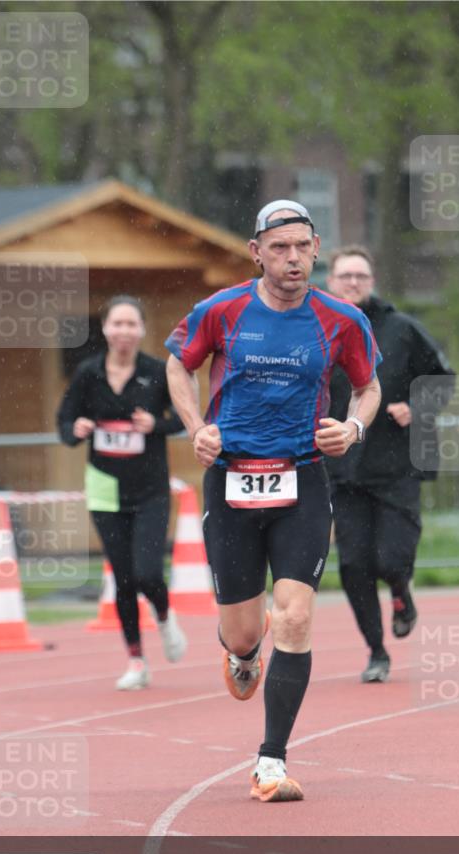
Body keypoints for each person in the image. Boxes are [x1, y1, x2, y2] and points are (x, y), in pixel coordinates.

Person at [165, 200, 381, 802]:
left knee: (295, 614)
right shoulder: (220, 310)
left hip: (302, 480)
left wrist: (354, 428)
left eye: (302, 247)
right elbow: (177, 366)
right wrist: (195, 427)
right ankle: (241, 652)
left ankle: (271, 760)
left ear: (317, 250)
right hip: (232, 480)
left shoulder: (341, 320)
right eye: (279, 247)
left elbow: (368, 387)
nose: (292, 258)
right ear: (256, 252)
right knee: (242, 633)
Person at [326, 245, 455, 683]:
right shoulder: (315, 329)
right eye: (345, 276)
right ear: (330, 282)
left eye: (361, 275)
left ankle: (401, 592)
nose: (353, 283)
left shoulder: (401, 329)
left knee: (392, 558)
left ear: (372, 280)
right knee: (353, 565)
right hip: (342, 471)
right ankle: (376, 651)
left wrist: (416, 406)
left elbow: (443, 379)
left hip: (396, 464)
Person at [57, 295, 187, 690]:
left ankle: (164, 618)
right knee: (124, 578)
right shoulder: (88, 373)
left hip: (149, 488)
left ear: (143, 330)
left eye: (132, 324)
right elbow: (65, 419)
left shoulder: (157, 372)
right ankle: (136, 659)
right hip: (104, 487)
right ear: (106, 329)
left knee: (148, 572)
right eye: (118, 324)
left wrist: (156, 425)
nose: (124, 331)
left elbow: (183, 418)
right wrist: (75, 430)